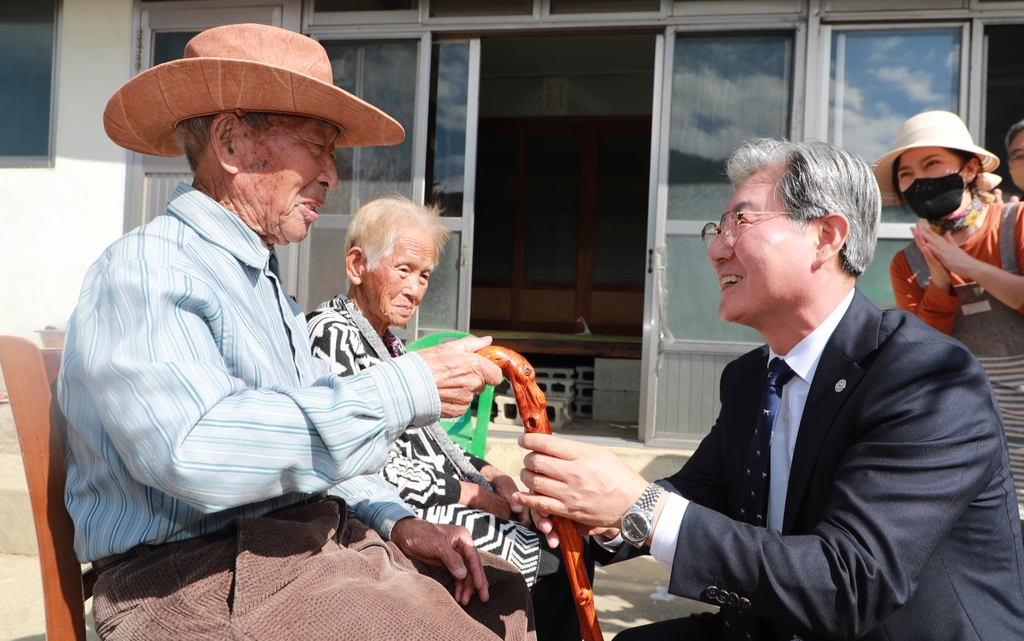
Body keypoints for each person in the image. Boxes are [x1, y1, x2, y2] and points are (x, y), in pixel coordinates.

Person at [58, 23, 536, 641]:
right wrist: (405, 385)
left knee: (503, 592)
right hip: (193, 578)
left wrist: (397, 521)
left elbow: (317, 447)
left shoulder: (263, 285)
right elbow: (196, 451)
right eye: (319, 146)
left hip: (287, 549)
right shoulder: (150, 269)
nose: (333, 176)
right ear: (232, 143)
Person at [512, 138, 1024, 640]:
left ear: (827, 236)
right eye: (717, 227)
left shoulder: (924, 375)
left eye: (741, 221)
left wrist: (640, 509)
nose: (715, 249)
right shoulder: (751, 378)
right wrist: (579, 507)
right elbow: (698, 495)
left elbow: (851, 584)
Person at [306, 195, 592, 641]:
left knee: (570, 539)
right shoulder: (330, 334)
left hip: (442, 495)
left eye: (423, 276)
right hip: (392, 512)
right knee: (552, 561)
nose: (415, 289)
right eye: (403, 270)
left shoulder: (389, 342)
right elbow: (365, 463)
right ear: (357, 265)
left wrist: (492, 473)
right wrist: (476, 495)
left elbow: (435, 441)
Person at [878, 110, 1024, 517]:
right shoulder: (907, 263)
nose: (918, 180)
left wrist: (971, 266)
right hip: (963, 424)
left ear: (969, 168)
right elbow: (922, 348)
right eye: (906, 173)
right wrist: (940, 282)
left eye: (931, 164)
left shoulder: (1016, 222)